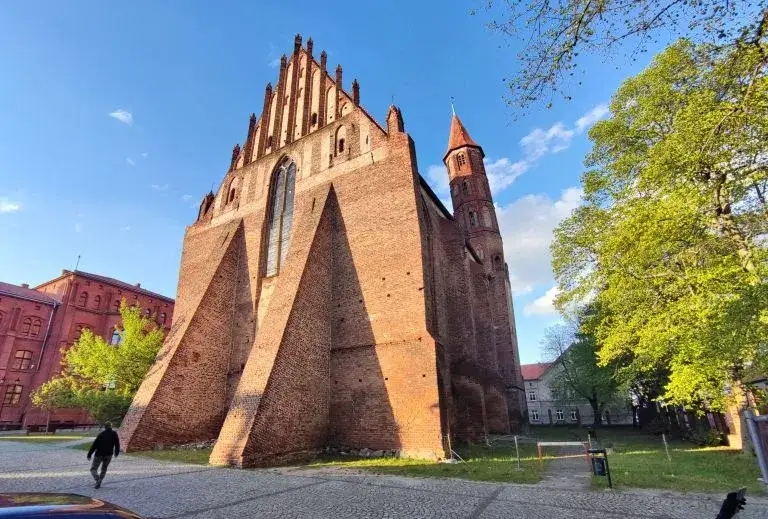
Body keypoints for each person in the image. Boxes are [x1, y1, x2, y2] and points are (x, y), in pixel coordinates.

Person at [87, 422, 120, 489]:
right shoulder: (114, 434)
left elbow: (94, 445)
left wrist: (89, 454)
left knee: (93, 469)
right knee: (104, 468)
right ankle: (100, 480)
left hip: (99, 454)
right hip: (109, 454)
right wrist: (116, 453)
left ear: (105, 427)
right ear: (111, 426)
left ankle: (98, 480)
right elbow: (117, 444)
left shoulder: (101, 434)